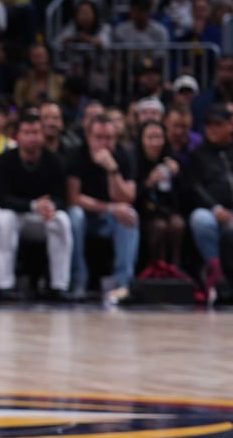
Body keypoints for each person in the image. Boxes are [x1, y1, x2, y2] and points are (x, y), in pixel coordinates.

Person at [0, 116, 73, 296]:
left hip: (41, 216)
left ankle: (59, 285)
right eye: (26, 133)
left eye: (35, 132)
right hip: (16, 214)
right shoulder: (3, 161)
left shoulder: (55, 161)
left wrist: (50, 206)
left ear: (42, 135)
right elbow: (0, 199)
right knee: (5, 219)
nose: (32, 138)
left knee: (62, 221)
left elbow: (62, 197)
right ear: (17, 136)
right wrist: (32, 205)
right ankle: (5, 285)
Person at [65, 114, 139, 302]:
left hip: (108, 219)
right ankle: (78, 282)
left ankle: (123, 284)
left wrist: (112, 170)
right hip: (86, 216)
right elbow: (73, 198)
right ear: (89, 137)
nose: (104, 143)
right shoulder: (76, 155)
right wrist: (110, 208)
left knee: (130, 215)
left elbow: (127, 197)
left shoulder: (124, 155)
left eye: (109, 138)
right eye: (98, 137)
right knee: (74, 216)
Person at [180, 104, 233, 297]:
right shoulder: (198, 155)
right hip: (211, 212)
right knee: (200, 219)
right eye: (209, 124)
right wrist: (215, 208)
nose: (212, 129)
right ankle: (216, 272)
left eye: (218, 124)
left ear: (230, 125)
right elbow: (194, 188)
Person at [132, 119, 184, 267]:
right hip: (143, 212)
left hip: (167, 209)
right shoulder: (134, 161)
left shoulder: (170, 160)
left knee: (177, 224)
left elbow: (184, 196)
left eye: (159, 137)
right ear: (141, 139)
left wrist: (177, 176)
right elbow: (132, 196)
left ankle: (175, 267)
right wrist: (148, 183)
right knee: (159, 226)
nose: (155, 143)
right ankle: (156, 269)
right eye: (150, 138)